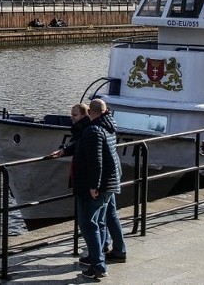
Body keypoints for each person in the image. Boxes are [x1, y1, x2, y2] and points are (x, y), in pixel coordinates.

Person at [72, 98, 124, 280]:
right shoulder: (109, 126)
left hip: (96, 186)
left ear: (90, 113)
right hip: (110, 183)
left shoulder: (93, 131)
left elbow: (96, 162)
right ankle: (100, 259)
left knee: (88, 224)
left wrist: (94, 186)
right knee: (100, 222)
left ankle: (98, 266)